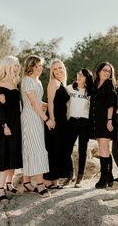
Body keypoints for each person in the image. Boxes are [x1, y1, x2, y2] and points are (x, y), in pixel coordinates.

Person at [21, 55, 52, 197]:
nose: (41, 68)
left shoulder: (38, 81)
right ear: (31, 66)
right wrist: (47, 119)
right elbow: (33, 104)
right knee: (36, 147)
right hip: (30, 118)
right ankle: (40, 185)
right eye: (38, 66)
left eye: (41, 66)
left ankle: (27, 182)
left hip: (37, 117)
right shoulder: (27, 81)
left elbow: (39, 102)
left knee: (33, 147)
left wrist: (51, 105)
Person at [0, 55, 23, 203]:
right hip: (7, 125)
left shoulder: (14, 82)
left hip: (17, 123)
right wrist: (5, 126)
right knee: (6, 155)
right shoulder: (0, 84)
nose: (17, 68)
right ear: (7, 66)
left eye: (18, 65)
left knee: (14, 153)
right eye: (15, 65)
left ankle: (9, 183)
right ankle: (0, 189)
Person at [64, 69, 94, 187]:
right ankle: (70, 174)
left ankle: (80, 178)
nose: (79, 76)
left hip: (84, 122)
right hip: (71, 121)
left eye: (82, 75)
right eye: (78, 74)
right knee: (67, 149)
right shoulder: (69, 88)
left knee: (82, 150)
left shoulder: (90, 92)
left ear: (87, 78)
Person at [89, 62, 117, 189]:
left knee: (104, 149)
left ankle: (103, 178)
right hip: (97, 121)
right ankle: (109, 176)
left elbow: (111, 104)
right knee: (104, 149)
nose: (107, 73)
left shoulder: (108, 84)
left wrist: (109, 120)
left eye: (109, 71)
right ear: (99, 71)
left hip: (106, 121)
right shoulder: (95, 85)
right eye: (105, 70)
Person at [43, 59, 70, 189]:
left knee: (58, 149)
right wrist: (52, 119)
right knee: (53, 149)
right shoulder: (53, 82)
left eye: (60, 68)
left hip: (62, 121)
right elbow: (50, 102)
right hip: (55, 120)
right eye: (55, 69)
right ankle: (48, 181)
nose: (58, 71)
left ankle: (55, 182)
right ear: (52, 72)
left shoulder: (61, 83)